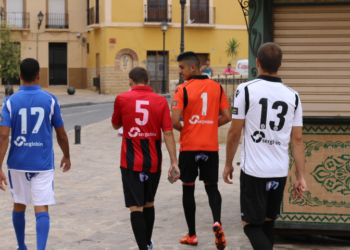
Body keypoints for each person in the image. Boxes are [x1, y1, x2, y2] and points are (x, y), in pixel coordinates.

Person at [223, 42, 307, 250]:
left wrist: (227, 164)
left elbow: (234, 133)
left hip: (254, 171)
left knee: (250, 226)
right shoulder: (293, 96)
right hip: (279, 171)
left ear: (257, 63)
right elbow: (297, 140)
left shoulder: (245, 90)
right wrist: (301, 177)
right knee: (268, 223)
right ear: (281, 64)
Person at [0, 58, 71, 250]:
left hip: (17, 163)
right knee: (42, 207)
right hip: (42, 163)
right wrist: (67, 155)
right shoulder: (50, 100)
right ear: (39, 76)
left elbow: (3, 136)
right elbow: (62, 134)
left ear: (20, 76)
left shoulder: (9, 102)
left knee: (19, 205)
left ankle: (21, 246)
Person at [111, 67, 180, 250]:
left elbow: (115, 124)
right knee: (149, 204)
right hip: (153, 161)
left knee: (136, 207)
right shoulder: (160, 101)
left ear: (130, 81)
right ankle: (148, 244)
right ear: (148, 82)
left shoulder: (122, 99)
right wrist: (174, 162)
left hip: (131, 162)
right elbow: (168, 133)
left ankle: (144, 248)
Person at [172, 52, 231, 250]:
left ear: (192, 68)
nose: (179, 71)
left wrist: (186, 128)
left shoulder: (182, 89)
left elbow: (174, 121)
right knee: (212, 187)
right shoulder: (217, 87)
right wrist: (210, 125)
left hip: (189, 148)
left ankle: (192, 235)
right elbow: (227, 116)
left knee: (188, 189)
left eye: (181, 68)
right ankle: (217, 222)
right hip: (210, 148)